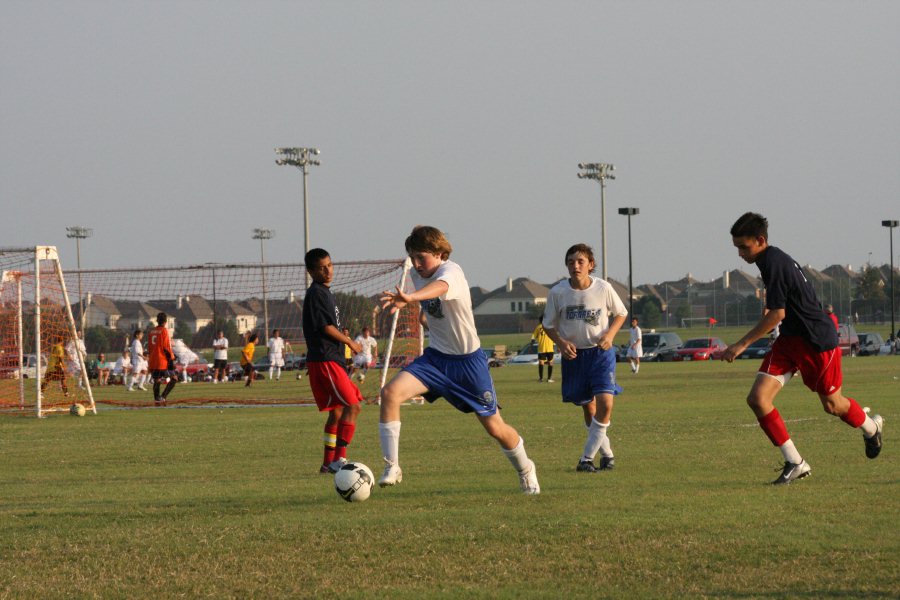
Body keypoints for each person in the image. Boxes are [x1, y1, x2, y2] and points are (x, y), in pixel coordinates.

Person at [721, 212, 883, 484]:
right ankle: (795, 462)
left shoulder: (773, 262)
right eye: (736, 247)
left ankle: (871, 427)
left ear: (760, 240)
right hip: (790, 341)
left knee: (833, 406)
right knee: (758, 399)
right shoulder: (767, 260)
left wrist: (741, 345)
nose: (739, 253)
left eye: (743, 247)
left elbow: (777, 314)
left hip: (816, 342)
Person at [378, 226, 540, 494]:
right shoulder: (420, 274)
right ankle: (392, 465)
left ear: (441, 254)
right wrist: (424, 315)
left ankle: (526, 469)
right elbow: (433, 307)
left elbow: (441, 288)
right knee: (390, 393)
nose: (417, 265)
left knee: (495, 428)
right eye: (413, 258)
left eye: (422, 258)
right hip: (436, 361)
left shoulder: (451, 271)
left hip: (469, 364)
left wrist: (412, 298)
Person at [542, 243, 628, 474]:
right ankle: (607, 455)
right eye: (571, 262)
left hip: (600, 354)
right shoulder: (558, 292)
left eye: (580, 261)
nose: (575, 266)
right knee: (589, 409)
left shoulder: (603, 288)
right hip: (575, 357)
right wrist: (561, 343)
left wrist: (610, 335)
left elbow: (621, 313)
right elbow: (548, 325)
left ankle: (586, 459)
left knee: (606, 403)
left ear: (591, 265)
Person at [302, 248, 365, 474]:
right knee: (353, 406)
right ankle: (339, 459)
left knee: (337, 411)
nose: (328, 270)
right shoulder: (317, 293)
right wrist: (350, 342)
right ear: (311, 271)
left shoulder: (325, 292)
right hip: (326, 359)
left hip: (328, 360)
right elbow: (325, 327)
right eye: (322, 267)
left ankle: (327, 463)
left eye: (330, 265)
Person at [147, 312, 177, 406]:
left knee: (157, 380)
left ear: (157, 320)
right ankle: (163, 397)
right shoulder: (164, 331)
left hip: (153, 360)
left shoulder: (151, 331)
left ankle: (157, 399)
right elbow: (166, 347)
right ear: (165, 321)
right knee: (174, 378)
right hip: (162, 360)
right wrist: (171, 359)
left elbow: (150, 347)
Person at [532, 317, 555, 383]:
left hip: (541, 348)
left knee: (541, 362)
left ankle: (541, 379)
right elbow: (554, 335)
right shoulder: (550, 326)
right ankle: (549, 379)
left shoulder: (538, 327)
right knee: (550, 363)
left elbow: (534, 336)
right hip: (550, 348)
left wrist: (532, 340)